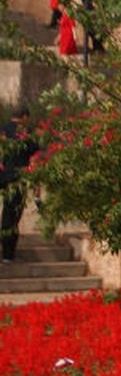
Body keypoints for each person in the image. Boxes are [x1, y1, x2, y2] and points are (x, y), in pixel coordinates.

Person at [0, 107, 37, 264]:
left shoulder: (2, 131)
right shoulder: (27, 133)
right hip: (17, 179)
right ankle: (8, 255)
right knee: (11, 216)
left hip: (2, 174)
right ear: (24, 117)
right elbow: (35, 159)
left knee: (8, 215)